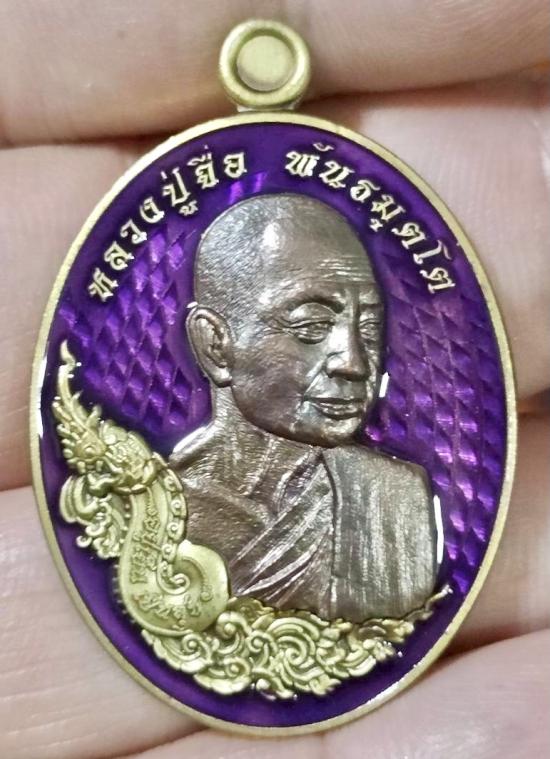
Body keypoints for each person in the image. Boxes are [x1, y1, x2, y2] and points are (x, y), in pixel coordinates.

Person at [170, 194, 438, 621]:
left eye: (369, 328)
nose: (354, 363)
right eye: (312, 326)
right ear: (215, 345)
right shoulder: (156, 508)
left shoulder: (393, 499)